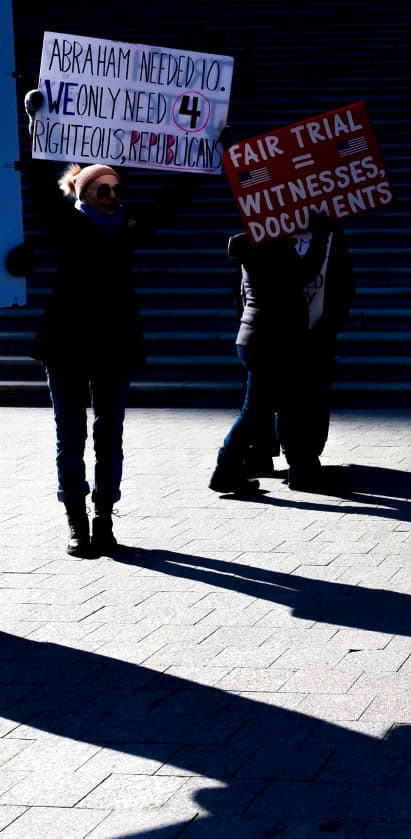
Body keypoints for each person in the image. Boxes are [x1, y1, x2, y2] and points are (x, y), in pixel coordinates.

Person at [9, 89, 199, 557]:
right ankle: (76, 521)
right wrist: (34, 120)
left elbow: (171, 204)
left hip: (114, 344)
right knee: (69, 435)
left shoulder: (128, 229)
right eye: (103, 189)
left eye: (117, 189)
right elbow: (36, 182)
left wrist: (205, 153)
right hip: (66, 343)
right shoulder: (65, 225)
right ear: (85, 194)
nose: (114, 196)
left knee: (109, 435)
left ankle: (105, 519)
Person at [210, 210, 355, 495]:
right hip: (273, 341)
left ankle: (300, 468)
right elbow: (305, 272)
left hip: (260, 338)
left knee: (286, 406)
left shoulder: (253, 246)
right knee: (259, 411)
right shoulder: (271, 248)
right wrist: (322, 234)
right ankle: (226, 468)